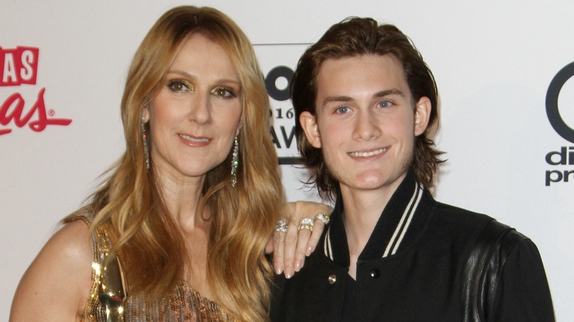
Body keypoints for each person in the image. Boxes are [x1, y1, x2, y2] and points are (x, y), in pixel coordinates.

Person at [9, 6, 329, 322]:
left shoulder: (254, 251)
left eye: (222, 92)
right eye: (179, 86)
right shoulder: (80, 255)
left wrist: (326, 227)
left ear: (243, 118)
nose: (201, 113)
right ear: (144, 103)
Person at [270, 17, 555, 321]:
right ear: (312, 129)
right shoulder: (286, 268)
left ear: (419, 114)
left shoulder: (493, 259)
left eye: (385, 104)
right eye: (343, 109)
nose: (365, 130)